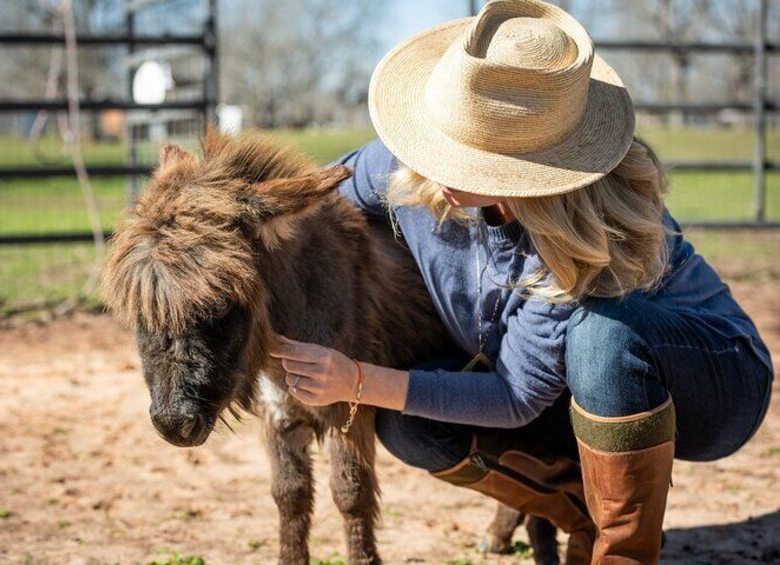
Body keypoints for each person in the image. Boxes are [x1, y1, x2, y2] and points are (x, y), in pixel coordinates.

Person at [268, 1, 774, 563]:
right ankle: (578, 508)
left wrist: (357, 379)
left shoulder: (588, 234)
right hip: (565, 386)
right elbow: (313, 208)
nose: (440, 168)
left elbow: (514, 396)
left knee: (604, 334)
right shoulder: (400, 165)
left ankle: (623, 554)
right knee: (413, 423)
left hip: (707, 382)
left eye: (470, 157)